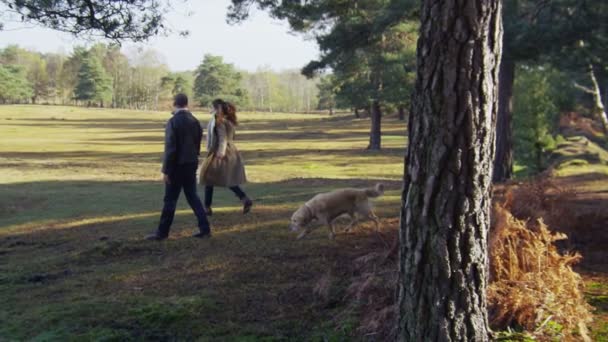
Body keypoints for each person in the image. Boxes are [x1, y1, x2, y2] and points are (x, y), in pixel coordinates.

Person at [146, 93, 211, 240]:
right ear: (186, 103)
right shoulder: (195, 121)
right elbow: (197, 143)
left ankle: (162, 233)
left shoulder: (173, 122)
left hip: (176, 166)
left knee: (170, 200)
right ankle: (205, 228)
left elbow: (171, 149)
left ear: (175, 103)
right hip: (191, 164)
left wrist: (166, 171)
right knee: (193, 197)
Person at [200, 99, 252, 215]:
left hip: (221, 153)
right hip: (231, 151)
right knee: (227, 179)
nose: (212, 110)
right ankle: (245, 199)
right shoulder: (229, 121)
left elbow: (222, 138)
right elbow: (232, 137)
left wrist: (220, 152)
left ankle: (207, 208)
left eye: (213, 108)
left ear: (218, 109)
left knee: (209, 178)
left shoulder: (220, 122)